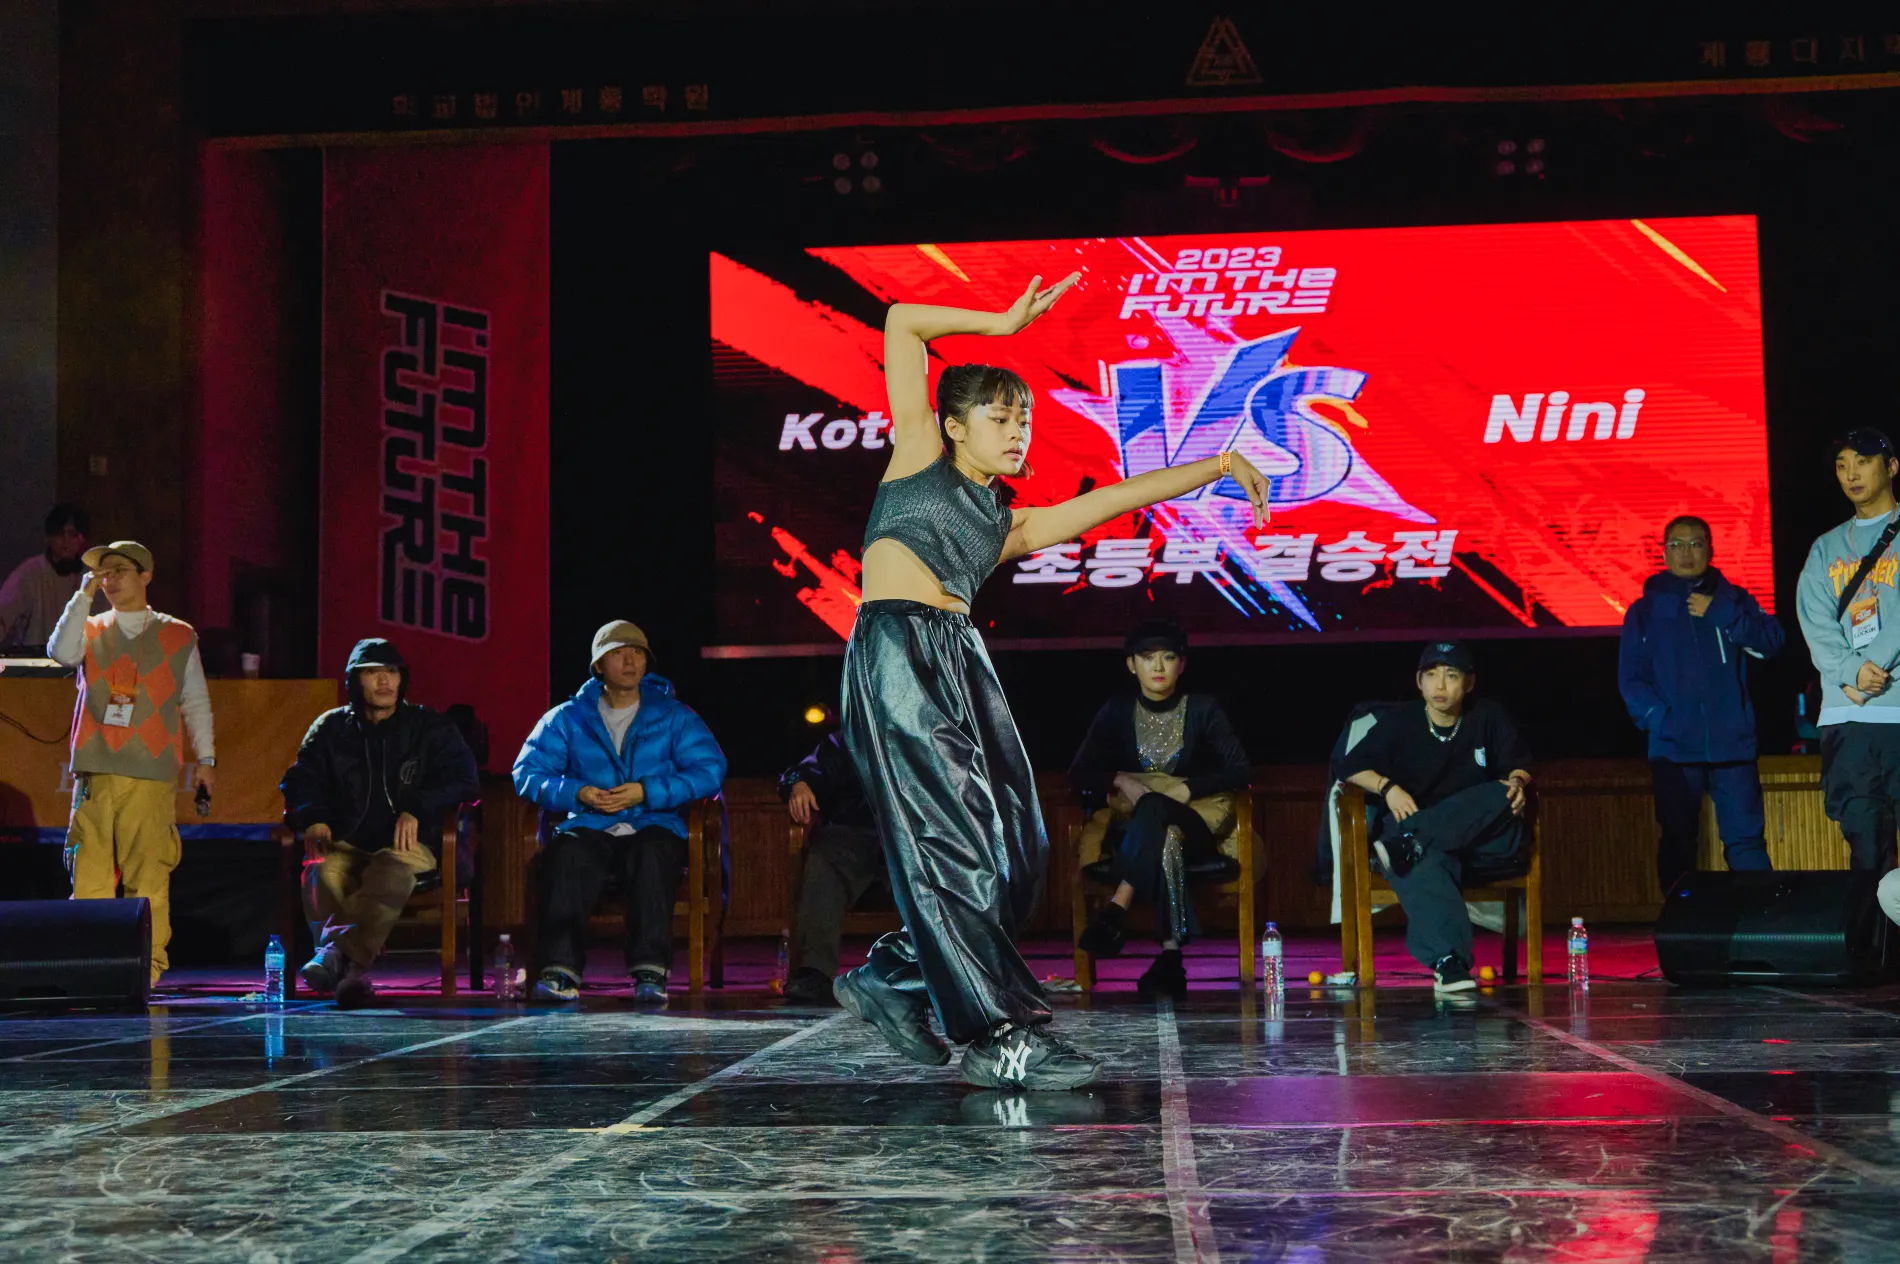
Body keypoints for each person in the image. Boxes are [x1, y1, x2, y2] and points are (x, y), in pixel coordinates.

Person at [833, 273, 1271, 1090]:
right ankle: (1002, 1036)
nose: (1017, 431)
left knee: (1017, 850)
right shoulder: (919, 455)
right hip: (897, 653)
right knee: (954, 847)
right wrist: (1000, 324)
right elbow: (901, 321)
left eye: (1024, 419)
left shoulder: (1007, 522)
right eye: (1000, 417)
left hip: (961, 660)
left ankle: (894, 974)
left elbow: (1115, 498)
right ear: (955, 425)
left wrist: (1216, 463)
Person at [513, 621, 728, 1006]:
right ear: (598, 666)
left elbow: (709, 769)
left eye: (637, 653)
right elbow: (527, 773)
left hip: (653, 821)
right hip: (591, 822)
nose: (630, 661)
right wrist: (578, 792)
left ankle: (650, 971)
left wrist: (646, 791)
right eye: (617, 653)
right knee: (567, 854)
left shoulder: (674, 716)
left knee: (653, 853)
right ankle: (559, 970)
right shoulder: (568, 718)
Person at [46, 540, 215, 988]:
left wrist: (206, 759)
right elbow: (60, 652)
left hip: (151, 775)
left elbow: (195, 700)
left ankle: (147, 970)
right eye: (104, 573)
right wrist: (82, 596)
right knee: (90, 877)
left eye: (120, 570)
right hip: (96, 772)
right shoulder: (91, 626)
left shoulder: (177, 634)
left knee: (149, 877)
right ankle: (91, 971)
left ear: (146, 575)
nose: (110, 579)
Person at [280, 638, 481, 1008]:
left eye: (392, 672)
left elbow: (465, 780)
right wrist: (313, 817)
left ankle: (337, 958)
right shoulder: (331, 727)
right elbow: (299, 779)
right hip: (347, 840)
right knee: (319, 870)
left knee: (390, 872)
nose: (385, 681)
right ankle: (353, 976)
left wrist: (417, 808)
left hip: (412, 845)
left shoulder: (430, 727)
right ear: (354, 681)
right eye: (373, 672)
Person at [1069, 619, 1251, 999]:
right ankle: (1171, 958)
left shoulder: (1202, 708)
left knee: (1161, 811)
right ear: (1131, 664)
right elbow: (1079, 772)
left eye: (1167, 657)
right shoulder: (1117, 710)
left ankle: (1118, 907)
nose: (1157, 667)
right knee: (1164, 831)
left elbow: (1241, 769)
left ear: (1181, 665)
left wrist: (1188, 788)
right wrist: (1120, 779)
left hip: (1197, 820)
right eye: (1147, 657)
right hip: (1135, 828)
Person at [1341, 642, 1533, 993]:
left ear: (1469, 683)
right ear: (1419, 682)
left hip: (1480, 838)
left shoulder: (1488, 715)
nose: (1440, 685)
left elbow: (1519, 765)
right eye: (1431, 675)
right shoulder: (1400, 722)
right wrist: (1387, 788)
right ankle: (1450, 963)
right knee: (1425, 860)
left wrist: (1518, 782)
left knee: (1500, 792)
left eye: (1451, 675)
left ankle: (1411, 840)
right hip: (1426, 835)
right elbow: (1349, 766)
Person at [1618, 515, 1785, 895]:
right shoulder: (1644, 612)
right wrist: (1664, 722)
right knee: (1678, 842)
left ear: (1710, 550)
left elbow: (1771, 643)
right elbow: (1631, 680)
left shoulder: (1733, 600)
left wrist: (1722, 613)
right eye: (1676, 544)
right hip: (1675, 750)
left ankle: (1759, 921)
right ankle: (1681, 924)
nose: (1686, 552)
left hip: (1733, 747)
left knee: (1746, 844)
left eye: (1695, 543)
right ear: (1663, 553)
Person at [1797, 428, 1900, 873]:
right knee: (1866, 850)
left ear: (1891, 467)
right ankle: (1874, 925)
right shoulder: (1826, 547)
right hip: (1847, 717)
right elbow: (1814, 621)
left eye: (1862, 461)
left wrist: (1870, 666)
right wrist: (1849, 671)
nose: (1851, 474)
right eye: (1842, 465)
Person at [778, 729, 883, 1004]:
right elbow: (803, 770)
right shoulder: (853, 736)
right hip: (857, 832)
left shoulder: (936, 731)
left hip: (919, 834)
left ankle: (951, 972)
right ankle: (814, 973)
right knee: (824, 856)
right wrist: (799, 783)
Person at [0, 503, 89, 650]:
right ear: (49, 537)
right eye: (59, 534)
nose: (66, 541)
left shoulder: (90, 576)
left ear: (82, 539)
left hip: (79, 657)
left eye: (73, 535)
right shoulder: (30, 571)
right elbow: (4, 612)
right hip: (34, 658)